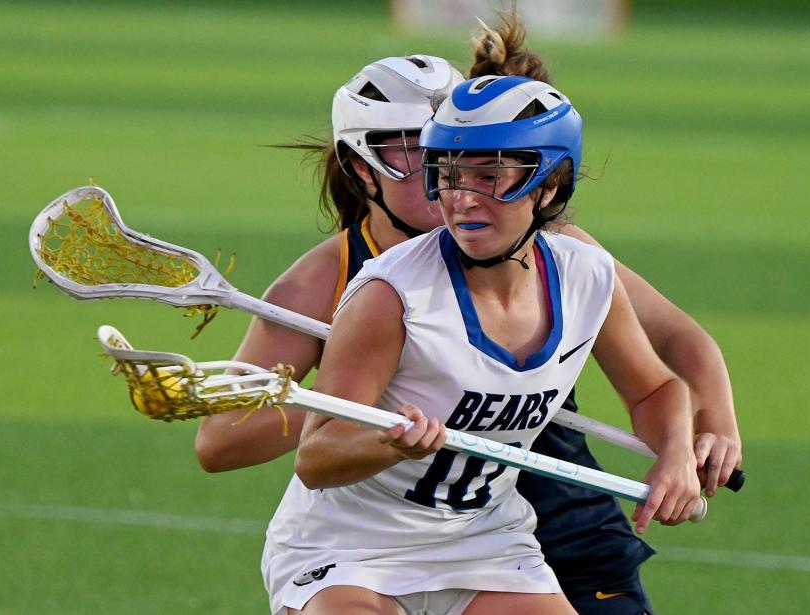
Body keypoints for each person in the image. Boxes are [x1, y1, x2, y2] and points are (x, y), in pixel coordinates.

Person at [196, 15, 741, 615]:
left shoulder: (576, 264)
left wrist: (688, 445)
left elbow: (668, 363)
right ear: (360, 167)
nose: (452, 193)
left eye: (484, 169)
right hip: (359, 542)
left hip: (517, 516)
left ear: (546, 184)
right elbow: (245, 446)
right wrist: (367, 414)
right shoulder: (372, 288)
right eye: (439, 165)